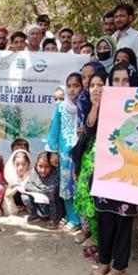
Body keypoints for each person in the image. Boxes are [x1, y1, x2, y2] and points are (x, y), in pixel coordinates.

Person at [89, 61, 138, 275]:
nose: (121, 84)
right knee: (104, 218)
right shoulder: (105, 104)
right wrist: (95, 105)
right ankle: (103, 261)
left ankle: (119, 267)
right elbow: (90, 129)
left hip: (131, 172)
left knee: (123, 221)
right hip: (106, 170)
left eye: (125, 80)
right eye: (116, 80)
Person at [72, 71, 109, 261]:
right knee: (85, 196)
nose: (96, 88)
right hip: (89, 157)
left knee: (100, 203)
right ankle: (94, 239)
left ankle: (101, 244)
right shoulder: (89, 105)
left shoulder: (116, 107)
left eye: (100, 84)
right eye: (93, 85)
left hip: (106, 160)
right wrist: (95, 105)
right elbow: (89, 127)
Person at [45, 72, 83, 232]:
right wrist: (53, 152)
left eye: (76, 86)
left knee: (79, 186)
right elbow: (54, 130)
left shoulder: (85, 106)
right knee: (66, 186)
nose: (72, 90)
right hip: (64, 155)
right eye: (69, 86)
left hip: (80, 154)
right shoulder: (61, 107)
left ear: (82, 87)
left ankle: (78, 219)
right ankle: (70, 216)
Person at [24, 151, 63, 229]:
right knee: (25, 196)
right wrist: (41, 191)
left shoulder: (56, 173)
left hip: (52, 205)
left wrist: (38, 189)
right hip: (40, 200)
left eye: (47, 167)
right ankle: (34, 215)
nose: (43, 170)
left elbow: (52, 190)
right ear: (37, 164)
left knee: (52, 195)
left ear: (52, 166)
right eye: (40, 166)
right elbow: (27, 185)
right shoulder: (34, 171)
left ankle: (53, 220)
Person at [111, 3, 138, 73]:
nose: (118, 19)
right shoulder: (112, 37)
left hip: (131, 81)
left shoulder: (137, 36)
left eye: (122, 16)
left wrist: (124, 60)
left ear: (130, 18)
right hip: (113, 81)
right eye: (116, 17)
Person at [3, 149, 31, 217]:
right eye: (17, 164)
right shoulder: (12, 176)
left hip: (27, 200)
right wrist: (17, 188)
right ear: (13, 164)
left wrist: (23, 186)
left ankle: (30, 209)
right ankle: (18, 207)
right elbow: (7, 195)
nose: (20, 167)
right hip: (16, 201)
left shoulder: (31, 175)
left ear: (28, 164)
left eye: (24, 164)